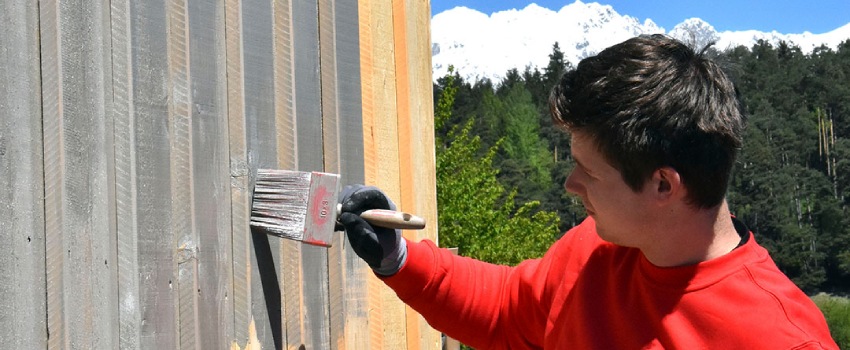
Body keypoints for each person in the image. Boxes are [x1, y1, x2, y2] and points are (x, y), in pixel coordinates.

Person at [337, 34, 838, 349]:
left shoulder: (782, 339)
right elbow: (509, 311)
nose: (570, 184)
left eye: (587, 171)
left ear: (664, 184)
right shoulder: (595, 249)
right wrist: (398, 258)